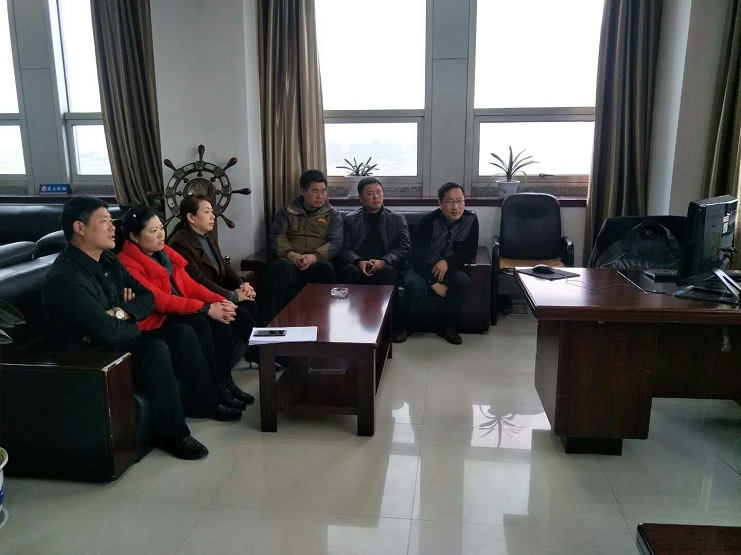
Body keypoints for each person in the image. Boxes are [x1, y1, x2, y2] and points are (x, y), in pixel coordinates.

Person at [42, 197, 209, 460]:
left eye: (111, 221)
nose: (113, 227)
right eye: (104, 222)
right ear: (79, 228)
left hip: (112, 339)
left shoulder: (107, 260)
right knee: (155, 350)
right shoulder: (67, 278)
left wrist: (119, 312)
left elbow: (147, 297)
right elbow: (107, 331)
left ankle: (203, 401)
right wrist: (127, 319)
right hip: (90, 356)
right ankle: (173, 435)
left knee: (182, 333)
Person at [117, 205, 254, 414]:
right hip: (156, 319)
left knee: (223, 319)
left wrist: (222, 302)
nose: (161, 234)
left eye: (161, 228)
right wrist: (206, 308)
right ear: (134, 237)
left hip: (175, 310)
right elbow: (159, 300)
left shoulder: (163, 252)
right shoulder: (127, 264)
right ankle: (207, 398)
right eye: (153, 231)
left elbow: (190, 286)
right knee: (199, 322)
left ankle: (224, 382)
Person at [168, 195, 261, 355]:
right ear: (191, 217)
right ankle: (262, 354)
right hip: (202, 299)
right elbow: (199, 281)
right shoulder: (180, 243)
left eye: (212, 211)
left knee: (250, 301)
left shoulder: (206, 236)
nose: (213, 216)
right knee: (241, 313)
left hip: (216, 294)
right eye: (207, 212)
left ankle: (260, 352)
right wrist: (232, 296)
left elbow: (224, 266)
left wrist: (242, 285)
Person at [394, 182, 479, 345]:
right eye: (450, 201)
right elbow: (416, 257)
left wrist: (447, 262)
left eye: (459, 201)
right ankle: (405, 326)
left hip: (447, 268)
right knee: (414, 285)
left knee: (462, 282)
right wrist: (432, 283)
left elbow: (469, 252)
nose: (456, 207)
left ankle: (447, 326)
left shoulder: (471, 220)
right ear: (440, 203)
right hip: (420, 267)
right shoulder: (428, 222)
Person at [263, 169, 343, 322]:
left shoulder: (332, 214)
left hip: (317, 262)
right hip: (291, 262)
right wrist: (292, 255)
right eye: (315, 191)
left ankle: (324, 322)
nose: (320, 196)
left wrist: (314, 257)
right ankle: (270, 323)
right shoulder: (287, 212)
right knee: (280, 266)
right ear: (303, 191)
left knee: (324, 267)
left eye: (323, 191)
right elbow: (277, 237)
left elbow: (336, 242)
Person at [338, 177, 410, 286]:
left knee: (388, 272)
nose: (376, 197)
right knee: (349, 270)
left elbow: (404, 248)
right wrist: (358, 261)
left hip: (386, 266)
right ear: (361, 198)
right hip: (359, 266)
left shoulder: (397, 219)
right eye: (370, 193)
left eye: (378, 192)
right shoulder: (350, 219)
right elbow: (345, 248)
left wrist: (384, 261)